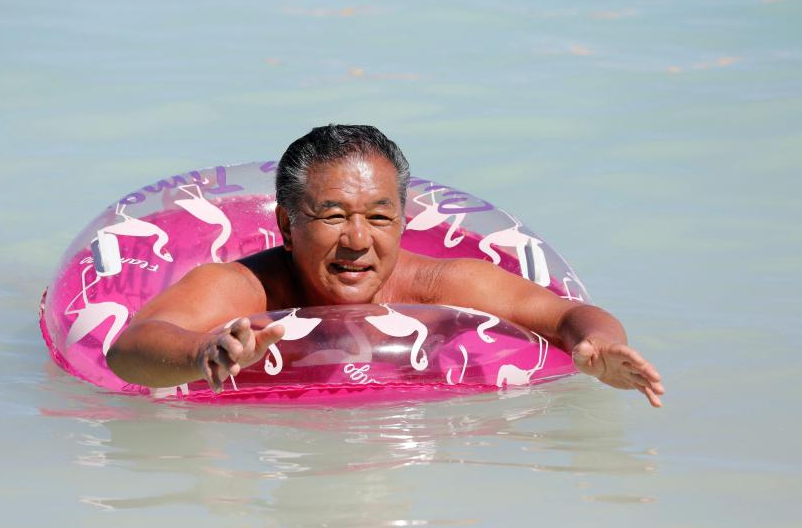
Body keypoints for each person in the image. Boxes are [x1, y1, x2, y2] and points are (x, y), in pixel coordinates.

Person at [107, 125, 664, 407]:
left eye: (378, 216)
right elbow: (130, 351)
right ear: (284, 222)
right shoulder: (244, 287)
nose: (356, 241)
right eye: (331, 215)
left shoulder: (444, 283)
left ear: (402, 219)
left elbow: (568, 316)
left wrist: (596, 348)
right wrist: (202, 352)